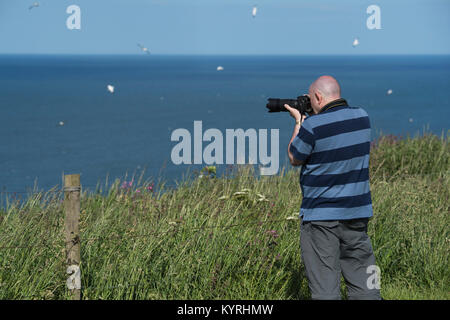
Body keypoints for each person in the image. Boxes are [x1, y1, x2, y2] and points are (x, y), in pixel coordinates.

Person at [284, 75, 381, 300]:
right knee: (366, 285)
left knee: (325, 289)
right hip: (357, 214)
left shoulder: (313, 126)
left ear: (317, 97)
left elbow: (294, 156)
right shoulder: (362, 117)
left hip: (321, 220)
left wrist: (299, 122)